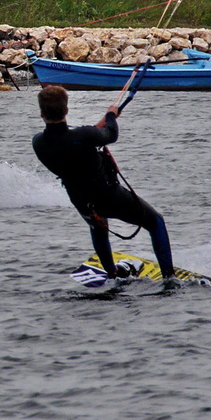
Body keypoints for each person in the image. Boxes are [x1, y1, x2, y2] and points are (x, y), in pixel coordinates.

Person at [32, 84, 175, 280]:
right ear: (66, 110)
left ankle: (112, 272)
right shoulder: (84, 136)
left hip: (81, 200)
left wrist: (97, 128)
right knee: (156, 222)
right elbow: (110, 135)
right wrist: (110, 117)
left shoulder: (38, 142)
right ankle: (169, 278)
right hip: (109, 196)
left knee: (98, 227)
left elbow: (71, 141)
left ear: (41, 113)